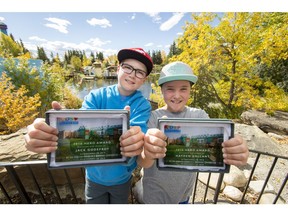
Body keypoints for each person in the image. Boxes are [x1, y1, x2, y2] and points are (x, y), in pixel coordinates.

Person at [24, 48, 154, 204]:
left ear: (144, 79)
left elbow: (138, 138)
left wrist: (135, 139)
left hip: (122, 178)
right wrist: (56, 128)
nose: (132, 74)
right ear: (118, 68)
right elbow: (80, 126)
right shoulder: (95, 96)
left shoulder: (142, 105)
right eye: (128, 67)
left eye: (140, 72)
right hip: (93, 178)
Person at [136, 61, 249, 204]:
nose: (177, 95)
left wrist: (235, 148)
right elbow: (143, 161)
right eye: (170, 89)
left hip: (183, 195)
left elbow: (219, 143)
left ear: (190, 90)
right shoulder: (153, 118)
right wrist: (148, 152)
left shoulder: (199, 116)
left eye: (183, 89)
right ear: (162, 90)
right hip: (155, 197)